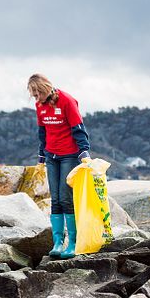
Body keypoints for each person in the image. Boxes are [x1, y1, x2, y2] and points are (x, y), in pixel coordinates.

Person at [28, 73, 91, 260]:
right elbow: (42, 132)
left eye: (37, 93)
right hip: (51, 156)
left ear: (44, 88)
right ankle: (57, 242)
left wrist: (84, 151)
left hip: (69, 156)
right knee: (55, 199)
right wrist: (41, 155)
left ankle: (73, 242)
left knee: (65, 198)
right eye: (33, 94)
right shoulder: (39, 106)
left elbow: (78, 128)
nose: (35, 97)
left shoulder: (67, 101)